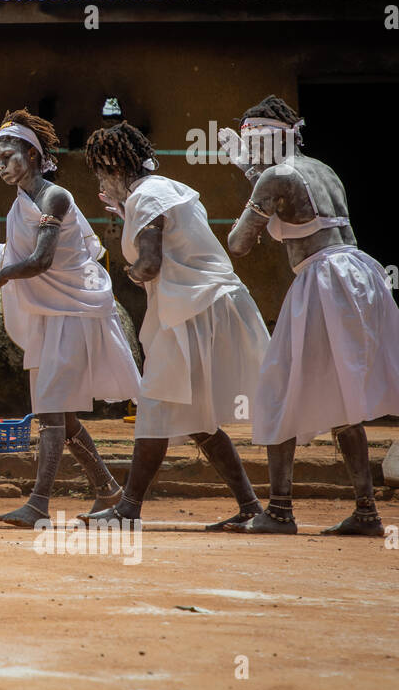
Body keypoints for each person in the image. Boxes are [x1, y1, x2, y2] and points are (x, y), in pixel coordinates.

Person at [223, 96, 399, 536]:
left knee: (276, 390)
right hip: (361, 274)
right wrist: (252, 174)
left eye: (251, 141)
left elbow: (238, 242)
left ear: (266, 138)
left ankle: (281, 511)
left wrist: (248, 177)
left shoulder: (274, 176)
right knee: (342, 398)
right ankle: (366, 513)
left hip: (324, 280)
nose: (247, 150)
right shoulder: (324, 170)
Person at [0, 109, 139, 528]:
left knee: (52, 415)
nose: (1, 165)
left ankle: (37, 504)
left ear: (33, 155)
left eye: (9, 156)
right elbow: (13, 253)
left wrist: (4, 275)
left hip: (72, 315)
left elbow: (40, 260)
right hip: (52, 320)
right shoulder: (22, 203)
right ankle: (108, 489)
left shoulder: (55, 197)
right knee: (64, 418)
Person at [75, 123, 271, 529]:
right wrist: (127, 212)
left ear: (113, 166)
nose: (100, 183)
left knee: (155, 404)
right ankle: (251, 506)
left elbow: (150, 264)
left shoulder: (147, 197)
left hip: (191, 311)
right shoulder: (162, 190)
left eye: (100, 173)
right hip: (203, 306)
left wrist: (123, 275)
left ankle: (128, 508)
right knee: (197, 418)